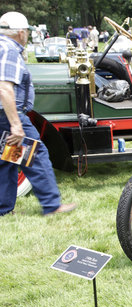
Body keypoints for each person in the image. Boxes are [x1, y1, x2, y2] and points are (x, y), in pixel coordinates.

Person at [0, 12, 76, 216]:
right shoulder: (9, 50)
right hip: (9, 115)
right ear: (21, 33)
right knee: (35, 154)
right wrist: (15, 124)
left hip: (3, 115)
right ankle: (52, 205)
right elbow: (5, 88)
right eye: (26, 32)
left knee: (8, 158)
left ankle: (4, 209)